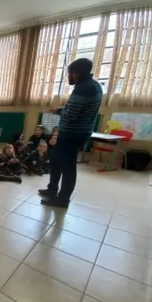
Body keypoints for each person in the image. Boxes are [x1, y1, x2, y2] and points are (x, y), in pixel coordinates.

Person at [39, 58, 102, 208]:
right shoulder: (94, 86)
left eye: (69, 73)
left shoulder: (83, 88)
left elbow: (71, 115)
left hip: (72, 135)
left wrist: (60, 111)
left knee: (67, 167)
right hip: (77, 132)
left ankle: (63, 199)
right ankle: (52, 189)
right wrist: (63, 110)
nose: (68, 77)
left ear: (77, 73)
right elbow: (77, 109)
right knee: (55, 161)